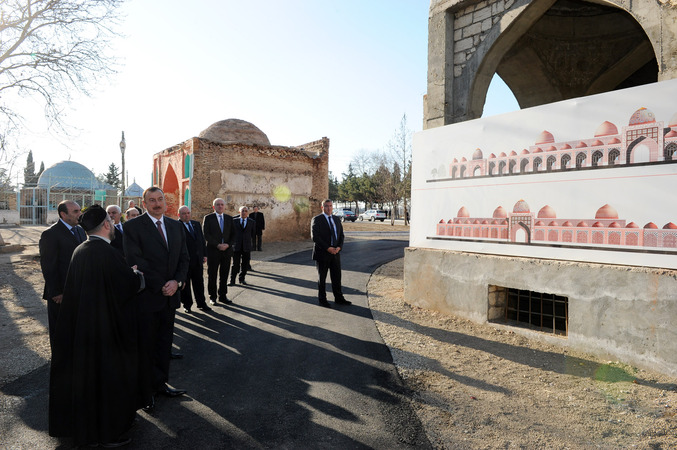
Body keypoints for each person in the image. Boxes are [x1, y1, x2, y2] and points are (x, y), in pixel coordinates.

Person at [49, 205, 144, 448]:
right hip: (106, 334)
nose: (113, 225)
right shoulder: (106, 253)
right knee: (106, 383)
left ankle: (88, 431)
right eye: (111, 222)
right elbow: (126, 287)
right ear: (105, 225)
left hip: (84, 333)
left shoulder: (80, 250)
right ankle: (107, 432)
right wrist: (134, 275)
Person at [123, 187, 189, 409]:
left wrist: (177, 282)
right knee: (146, 347)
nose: (157, 203)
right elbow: (136, 260)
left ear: (166, 202)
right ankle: (145, 393)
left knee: (163, 345)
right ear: (144, 203)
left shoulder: (175, 226)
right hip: (147, 297)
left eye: (160, 199)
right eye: (152, 200)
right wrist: (162, 284)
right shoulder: (132, 227)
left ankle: (161, 384)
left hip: (169, 298)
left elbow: (184, 259)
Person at [39, 200, 86, 351]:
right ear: (63, 214)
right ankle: (60, 366)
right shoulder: (50, 234)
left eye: (79, 210)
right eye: (75, 212)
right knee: (60, 333)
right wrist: (56, 292)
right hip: (61, 295)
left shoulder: (79, 231)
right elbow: (48, 266)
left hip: (77, 291)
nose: (80, 214)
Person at [311, 199, 351, 308]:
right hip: (323, 253)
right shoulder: (317, 219)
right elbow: (315, 237)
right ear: (322, 207)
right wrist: (328, 248)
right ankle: (322, 300)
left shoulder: (336, 219)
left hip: (335, 253)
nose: (329, 208)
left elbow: (341, 235)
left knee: (337, 277)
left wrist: (339, 247)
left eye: (330, 206)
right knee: (322, 278)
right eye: (326, 206)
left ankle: (339, 298)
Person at [178, 205, 210, 313]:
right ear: (179, 215)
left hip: (197, 261)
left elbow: (201, 240)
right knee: (185, 285)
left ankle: (202, 303)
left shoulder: (196, 224)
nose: (186, 215)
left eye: (188, 213)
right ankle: (187, 305)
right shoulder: (176, 226)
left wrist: (204, 254)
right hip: (184, 262)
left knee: (199, 283)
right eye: (183, 213)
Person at [202, 198, 234, 305]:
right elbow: (206, 234)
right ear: (213, 206)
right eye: (217, 204)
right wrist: (217, 245)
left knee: (224, 274)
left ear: (224, 206)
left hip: (227, 251)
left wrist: (228, 245)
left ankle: (223, 296)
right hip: (213, 251)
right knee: (212, 275)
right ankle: (212, 297)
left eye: (222, 204)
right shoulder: (208, 218)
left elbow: (234, 235)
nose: (220, 206)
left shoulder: (229, 218)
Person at [230, 206, 255, 286]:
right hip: (236, 246)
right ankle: (232, 280)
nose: (244, 212)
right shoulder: (234, 221)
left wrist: (252, 245)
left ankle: (242, 279)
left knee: (245, 264)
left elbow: (253, 234)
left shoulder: (252, 222)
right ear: (239, 212)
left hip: (246, 246)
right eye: (242, 211)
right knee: (235, 264)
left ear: (247, 212)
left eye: (245, 211)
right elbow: (230, 233)